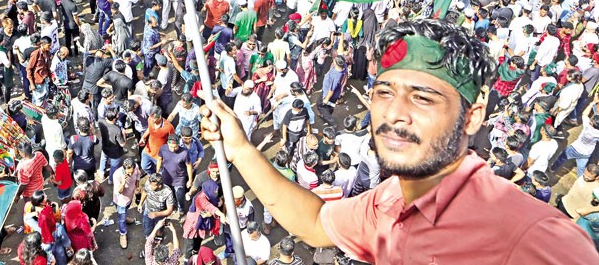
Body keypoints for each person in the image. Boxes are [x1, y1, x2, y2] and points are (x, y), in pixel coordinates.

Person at [200, 19, 596, 262]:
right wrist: (239, 148)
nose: (394, 113)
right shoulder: (390, 199)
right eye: (384, 92)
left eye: (423, 97)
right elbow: (317, 222)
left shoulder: (539, 242)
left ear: (473, 115)